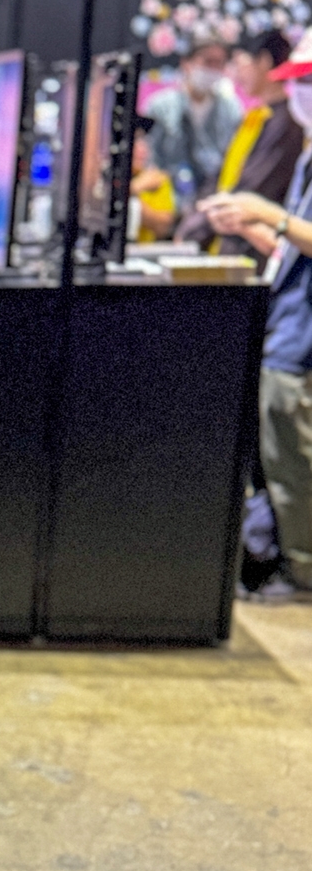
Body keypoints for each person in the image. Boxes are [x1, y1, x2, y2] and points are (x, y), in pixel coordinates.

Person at [202, 32, 312, 602]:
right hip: (285, 328)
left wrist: (269, 215)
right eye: (299, 81)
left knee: (295, 466)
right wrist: (254, 228)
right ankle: (278, 560)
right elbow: (295, 251)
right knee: (274, 461)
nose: (300, 93)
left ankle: (302, 573)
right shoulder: (308, 155)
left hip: (302, 341)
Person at [177, 31, 302, 259]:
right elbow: (221, 176)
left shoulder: (287, 122)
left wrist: (196, 227)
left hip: (253, 250)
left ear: (264, 62)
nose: (235, 74)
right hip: (225, 241)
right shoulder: (253, 116)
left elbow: (251, 187)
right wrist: (195, 218)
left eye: (240, 64)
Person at [145, 39, 244, 216]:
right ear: (187, 63)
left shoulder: (232, 110)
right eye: (207, 61)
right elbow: (150, 159)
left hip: (214, 208)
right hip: (167, 205)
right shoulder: (160, 107)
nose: (213, 69)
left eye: (219, 63)